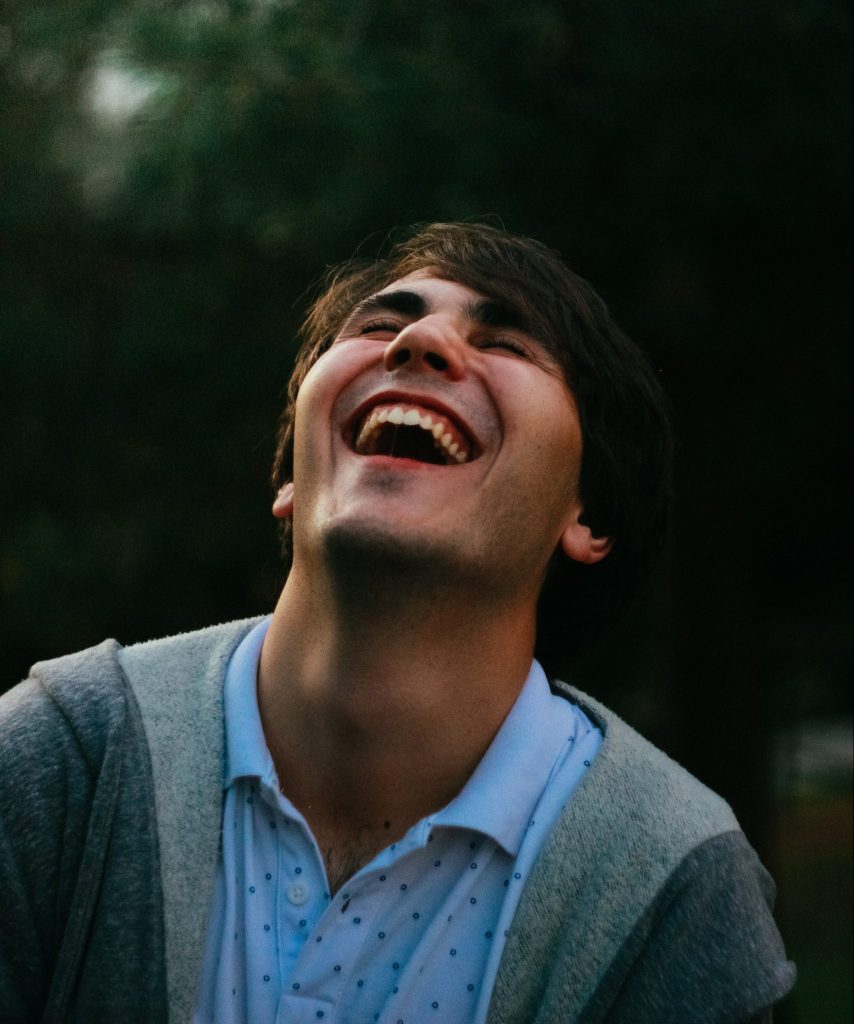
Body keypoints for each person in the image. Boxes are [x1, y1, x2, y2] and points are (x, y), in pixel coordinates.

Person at [0, 223, 794, 1024]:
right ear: (289, 480)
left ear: (588, 513)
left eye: (508, 342)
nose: (419, 342)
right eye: (379, 326)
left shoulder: (673, 886)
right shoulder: (62, 766)